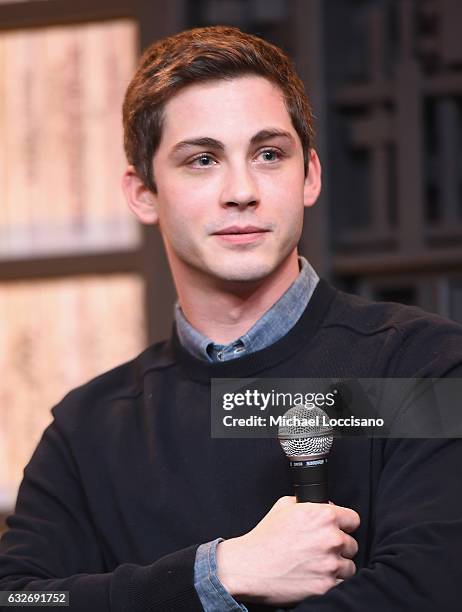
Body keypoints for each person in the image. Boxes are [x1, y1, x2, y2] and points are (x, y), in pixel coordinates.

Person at [1, 25, 462, 612]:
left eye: (269, 154)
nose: (241, 190)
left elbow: (430, 590)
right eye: (201, 160)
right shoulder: (87, 427)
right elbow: (20, 600)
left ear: (310, 176)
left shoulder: (421, 371)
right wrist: (216, 572)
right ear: (144, 193)